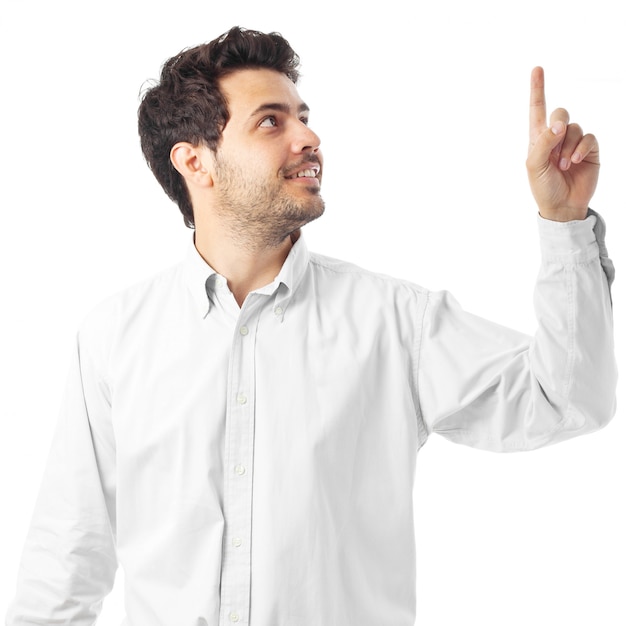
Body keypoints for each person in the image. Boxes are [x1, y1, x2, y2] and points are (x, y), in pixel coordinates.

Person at [6, 25, 617, 626]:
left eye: (303, 115)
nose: (310, 136)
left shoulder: (394, 323)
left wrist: (564, 225)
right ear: (195, 162)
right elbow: (66, 561)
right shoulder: (115, 338)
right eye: (272, 121)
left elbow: (565, 398)